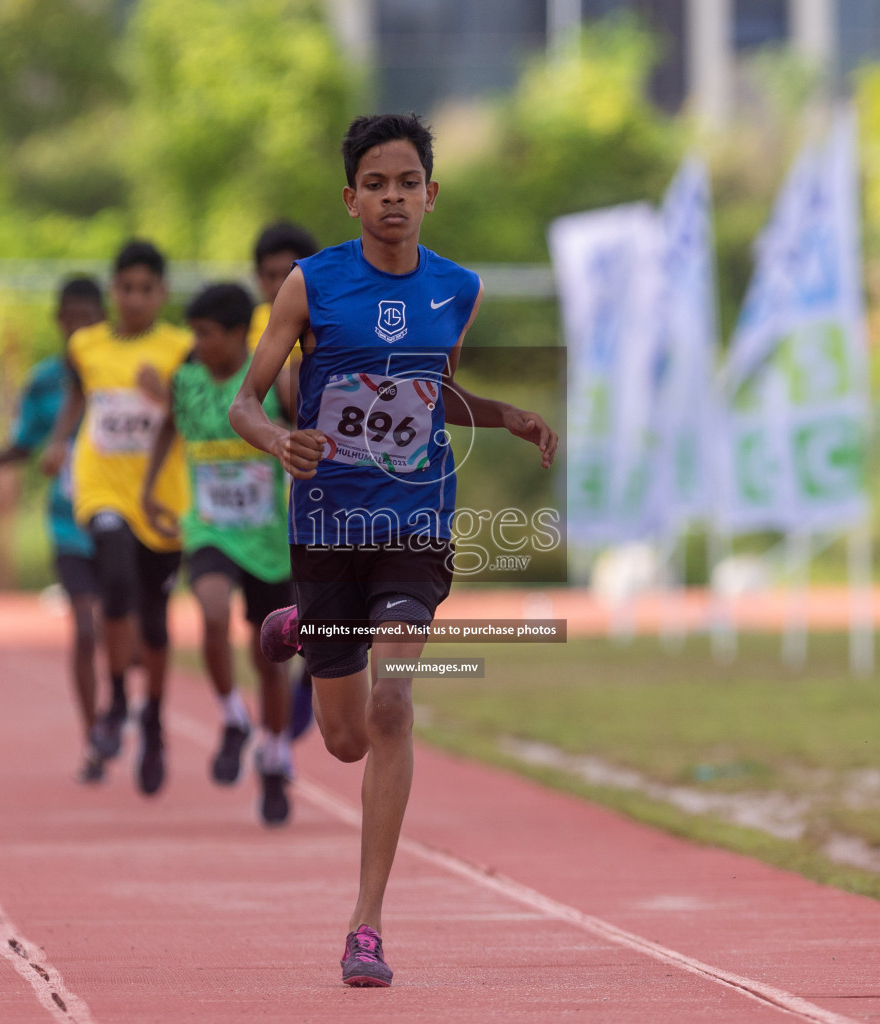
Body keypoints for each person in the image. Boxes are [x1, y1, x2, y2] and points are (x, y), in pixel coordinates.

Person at [228, 113, 558, 987]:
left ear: (431, 195)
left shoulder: (459, 289)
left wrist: (507, 417)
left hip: (414, 521)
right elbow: (245, 402)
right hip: (329, 527)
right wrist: (276, 442)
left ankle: (366, 924)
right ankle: (306, 623)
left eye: (407, 183)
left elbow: (434, 393)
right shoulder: (308, 286)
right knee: (340, 741)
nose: (392, 199)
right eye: (375, 185)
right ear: (350, 198)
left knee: (394, 706)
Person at [142, 282, 298, 826]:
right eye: (194, 332)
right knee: (209, 613)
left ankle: (274, 757)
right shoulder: (184, 381)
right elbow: (166, 429)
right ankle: (233, 717)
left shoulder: (268, 381)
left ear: (238, 334)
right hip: (208, 528)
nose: (198, 343)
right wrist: (148, 491)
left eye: (207, 333)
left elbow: (304, 434)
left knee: (270, 660)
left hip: (267, 540)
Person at [42, 240, 192, 797]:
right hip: (102, 490)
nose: (134, 299)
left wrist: (170, 395)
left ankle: (152, 721)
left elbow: (204, 415)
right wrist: (59, 442)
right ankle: (117, 702)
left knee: (154, 624)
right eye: (125, 289)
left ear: (162, 294)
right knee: (116, 579)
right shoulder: (86, 346)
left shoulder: (182, 347)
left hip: (163, 501)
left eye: (145, 290)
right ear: (114, 292)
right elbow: (75, 400)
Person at [0, 277, 107, 784]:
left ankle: (131, 706)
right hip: (72, 524)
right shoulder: (44, 383)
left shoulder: (126, 372)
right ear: (59, 322)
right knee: (85, 628)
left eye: (91, 316)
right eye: (72, 317)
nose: (81, 327)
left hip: (130, 523)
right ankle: (94, 739)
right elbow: (24, 444)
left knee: (127, 635)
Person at [250, 221, 320, 741]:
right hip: (256, 511)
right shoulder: (248, 330)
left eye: (287, 274)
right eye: (269, 275)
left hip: (312, 495)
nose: (278, 284)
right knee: (278, 624)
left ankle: (304, 692)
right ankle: (276, 723)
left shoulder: (324, 322)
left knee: (321, 611)